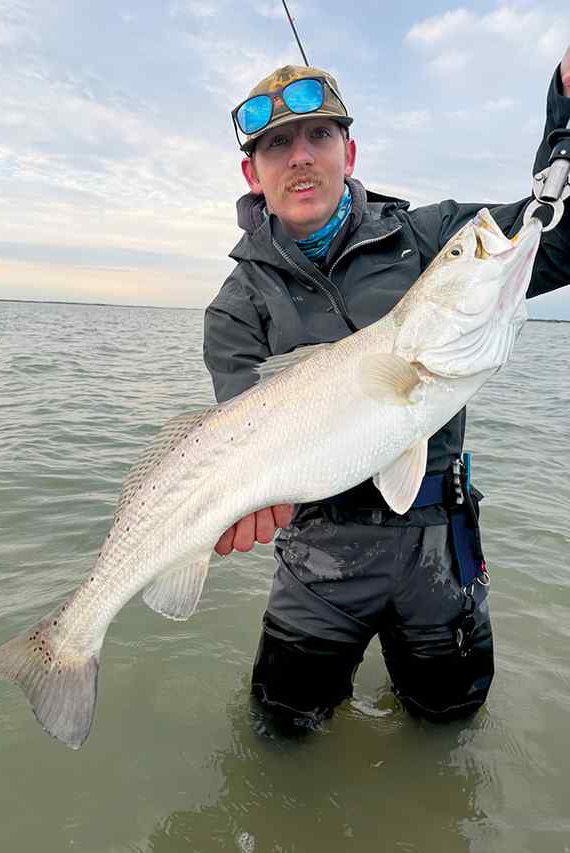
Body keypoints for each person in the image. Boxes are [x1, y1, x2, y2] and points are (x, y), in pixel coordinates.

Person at [203, 55, 570, 727]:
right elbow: (245, 436)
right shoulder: (234, 307)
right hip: (317, 554)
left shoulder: (432, 237)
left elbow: (559, 232)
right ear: (253, 173)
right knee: (283, 726)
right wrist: (245, 503)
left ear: (350, 150)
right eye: (277, 144)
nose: (301, 157)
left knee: (450, 721)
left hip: (439, 542)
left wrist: (564, 115)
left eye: (319, 136)